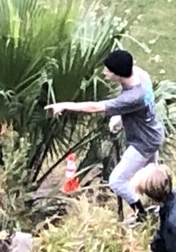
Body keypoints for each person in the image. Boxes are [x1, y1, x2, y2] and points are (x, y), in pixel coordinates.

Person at [45, 49, 165, 222]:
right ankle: (161, 207)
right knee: (153, 181)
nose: (104, 73)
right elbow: (134, 108)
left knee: (116, 181)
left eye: (108, 71)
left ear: (118, 74)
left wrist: (65, 105)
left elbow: (95, 107)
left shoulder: (133, 97)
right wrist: (119, 118)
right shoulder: (140, 74)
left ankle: (141, 214)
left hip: (144, 142)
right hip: (153, 132)